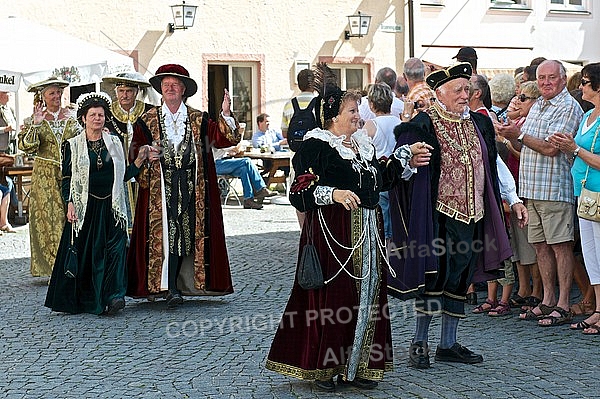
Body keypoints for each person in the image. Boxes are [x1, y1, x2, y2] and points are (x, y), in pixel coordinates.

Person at [265, 63, 431, 391]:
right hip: (333, 236)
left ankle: (361, 365)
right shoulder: (317, 146)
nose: (359, 115)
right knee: (335, 300)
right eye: (353, 110)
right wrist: (334, 193)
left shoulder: (362, 146)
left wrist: (405, 157)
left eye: (358, 109)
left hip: (367, 233)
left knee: (367, 297)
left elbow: (377, 181)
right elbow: (298, 192)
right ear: (334, 116)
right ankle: (326, 368)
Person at [388, 63, 524, 368]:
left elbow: (494, 164)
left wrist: (512, 198)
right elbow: (398, 168)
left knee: (460, 279)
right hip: (437, 217)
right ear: (440, 93)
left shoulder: (480, 123)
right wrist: (409, 160)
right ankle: (420, 342)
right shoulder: (421, 124)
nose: (466, 95)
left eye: (468, 89)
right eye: (459, 90)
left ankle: (447, 344)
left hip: (472, 215)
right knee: (432, 278)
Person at [127, 64, 240, 306]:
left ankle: (179, 286)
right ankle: (168, 288)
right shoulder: (146, 120)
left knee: (184, 236)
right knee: (166, 234)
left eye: (175, 85)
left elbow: (223, 139)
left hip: (193, 188)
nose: (170, 89)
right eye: (166, 85)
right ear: (160, 90)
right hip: (160, 191)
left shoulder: (199, 119)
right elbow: (135, 153)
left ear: (183, 90)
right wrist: (145, 153)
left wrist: (226, 115)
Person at [45, 92, 152, 315]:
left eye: (101, 115)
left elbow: (124, 175)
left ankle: (115, 296)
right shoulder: (72, 145)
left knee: (115, 251)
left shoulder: (113, 142)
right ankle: (91, 299)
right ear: (83, 118)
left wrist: (140, 160)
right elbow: (66, 179)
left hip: (112, 207)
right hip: (87, 208)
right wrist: (70, 203)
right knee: (90, 256)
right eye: (92, 115)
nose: (97, 119)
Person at [496, 60, 584, 327]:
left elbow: (550, 149)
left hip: (555, 188)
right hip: (531, 188)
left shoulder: (568, 107)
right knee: (540, 248)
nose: (546, 82)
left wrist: (518, 135)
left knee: (560, 247)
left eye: (551, 77)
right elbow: (525, 146)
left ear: (563, 78)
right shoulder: (539, 106)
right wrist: (509, 135)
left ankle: (563, 303)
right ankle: (547, 300)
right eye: (541, 78)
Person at [548, 62, 600, 335]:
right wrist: (567, 146)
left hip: (598, 191)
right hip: (583, 191)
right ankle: (597, 308)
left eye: (586, 82)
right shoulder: (587, 115)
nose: (580, 87)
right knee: (591, 254)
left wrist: (575, 148)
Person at [18, 77, 79, 277]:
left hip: (70, 172)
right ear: (43, 96)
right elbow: (26, 147)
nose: (56, 96)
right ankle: (53, 266)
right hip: (45, 175)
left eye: (58, 92)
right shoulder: (33, 120)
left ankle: (72, 262)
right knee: (49, 218)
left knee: (71, 216)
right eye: (51, 93)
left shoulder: (72, 116)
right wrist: (35, 125)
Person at [102, 72, 154, 233]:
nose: (124, 95)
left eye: (129, 91)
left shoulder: (149, 111)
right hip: (116, 174)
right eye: (121, 91)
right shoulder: (106, 113)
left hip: (146, 173)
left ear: (137, 91)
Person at [363, 82, 400, 241]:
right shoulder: (399, 122)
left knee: (383, 225)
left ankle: (385, 257)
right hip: (397, 176)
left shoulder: (370, 125)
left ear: (371, 104)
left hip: (380, 176)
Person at [281, 68, 317, 228]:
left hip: (295, 156)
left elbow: (284, 132)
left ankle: (304, 230)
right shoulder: (319, 104)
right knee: (316, 189)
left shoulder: (289, 104)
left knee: (298, 191)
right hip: (316, 156)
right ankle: (316, 228)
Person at [213, 143, 276, 210]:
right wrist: (241, 135)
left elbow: (234, 151)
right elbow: (236, 149)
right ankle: (260, 189)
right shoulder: (218, 139)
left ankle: (248, 199)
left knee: (244, 169)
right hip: (216, 164)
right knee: (247, 161)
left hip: (223, 162)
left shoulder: (222, 140)